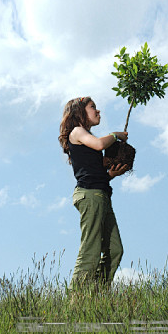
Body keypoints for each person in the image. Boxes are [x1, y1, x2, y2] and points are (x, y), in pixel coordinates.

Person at [59, 96, 128, 287]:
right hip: (89, 195)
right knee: (91, 248)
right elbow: (99, 144)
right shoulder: (77, 131)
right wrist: (115, 135)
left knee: (115, 250)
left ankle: (96, 296)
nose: (98, 111)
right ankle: (77, 298)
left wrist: (111, 174)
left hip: (100, 195)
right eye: (93, 107)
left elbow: (95, 174)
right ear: (79, 112)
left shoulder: (87, 140)